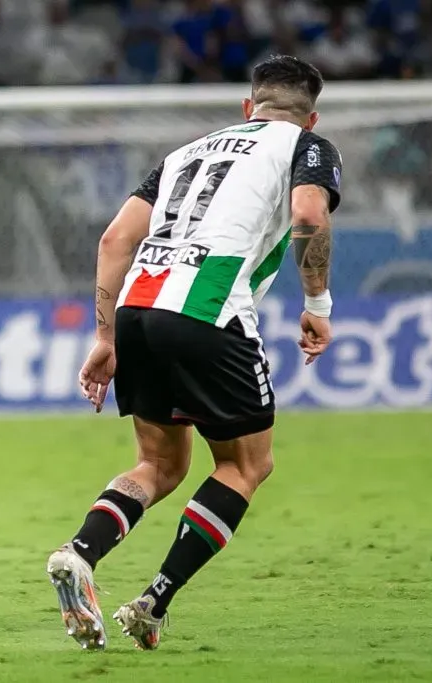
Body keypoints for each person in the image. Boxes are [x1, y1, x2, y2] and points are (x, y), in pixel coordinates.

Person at [47, 55, 342, 651]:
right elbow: (309, 212)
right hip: (208, 308)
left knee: (159, 465)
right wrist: (318, 303)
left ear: (247, 107)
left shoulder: (186, 152)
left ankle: (79, 553)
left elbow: (115, 239)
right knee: (246, 466)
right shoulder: (306, 146)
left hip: (137, 305)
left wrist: (106, 337)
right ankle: (152, 603)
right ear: (310, 118)